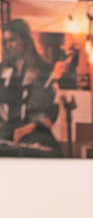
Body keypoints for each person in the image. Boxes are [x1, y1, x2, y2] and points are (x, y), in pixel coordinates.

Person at [0, 19, 62, 157]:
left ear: (25, 40)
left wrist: (32, 126)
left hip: (34, 130)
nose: (8, 45)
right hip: (5, 132)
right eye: (5, 41)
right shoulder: (2, 69)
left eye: (13, 40)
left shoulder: (42, 69)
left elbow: (52, 108)